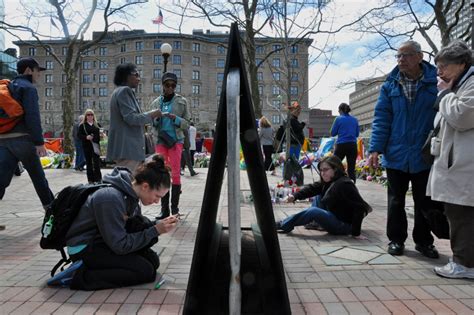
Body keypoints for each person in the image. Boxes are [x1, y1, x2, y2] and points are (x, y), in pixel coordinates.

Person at [49, 154, 179, 290]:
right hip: (84, 247)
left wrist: (156, 225)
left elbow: (131, 229)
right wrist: (156, 230)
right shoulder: (110, 198)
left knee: (152, 260)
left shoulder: (131, 195)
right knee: (144, 271)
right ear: (145, 186)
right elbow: (120, 245)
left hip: (102, 240)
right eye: (157, 196)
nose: (157, 201)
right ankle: (79, 276)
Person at [369, 40, 439, 259]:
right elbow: (381, 119)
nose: (401, 60)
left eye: (406, 55)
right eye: (398, 56)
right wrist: (375, 149)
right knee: (395, 201)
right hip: (396, 153)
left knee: (424, 202)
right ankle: (396, 240)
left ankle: (424, 242)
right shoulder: (390, 86)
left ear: (420, 57)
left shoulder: (435, 82)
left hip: (424, 154)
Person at [426, 40, 474, 279]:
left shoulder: (470, 85)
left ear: (462, 64)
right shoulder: (461, 84)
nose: (440, 72)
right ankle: (463, 261)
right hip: (458, 165)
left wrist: (444, 94)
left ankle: (464, 263)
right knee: (458, 214)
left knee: (462, 216)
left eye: (444, 66)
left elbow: (461, 116)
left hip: (464, 167)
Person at [0, 57, 54, 209]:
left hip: (3, 140)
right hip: (23, 140)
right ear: (29, 70)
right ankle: (53, 213)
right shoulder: (28, 88)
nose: (39, 75)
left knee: (1, 179)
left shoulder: (8, 86)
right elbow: (32, 116)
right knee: (38, 178)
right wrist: (39, 142)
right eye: (37, 71)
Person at [275, 155, 371, 238]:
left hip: (344, 225)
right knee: (319, 194)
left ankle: (283, 224)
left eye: (325, 170)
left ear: (336, 169)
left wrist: (356, 233)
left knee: (313, 212)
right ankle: (316, 223)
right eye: (321, 170)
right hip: (334, 214)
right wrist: (294, 196)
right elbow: (312, 188)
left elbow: (360, 207)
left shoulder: (345, 184)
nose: (322, 173)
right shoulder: (329, 181)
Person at [106, 63, 162, 172]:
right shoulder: (124, 91)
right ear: (126, 76)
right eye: (136, 75)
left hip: (125, 150)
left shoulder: (117, 92)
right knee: (130, 185)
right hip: (129, 150)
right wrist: (152, 114)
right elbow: (131, 118)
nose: (139, 78)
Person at [151, 72, 190, 219]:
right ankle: (164, 210)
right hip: (161, 141)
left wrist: (176, 119)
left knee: (175, 174)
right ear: (163, 85)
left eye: (173, 85)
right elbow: (151, 123)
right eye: (167, 85)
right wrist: (156, 118)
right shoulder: (155, 103)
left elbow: (187, 123)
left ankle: (174, 210)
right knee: (162, 174)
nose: (170, 87)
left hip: (175, 141)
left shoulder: (182, 101)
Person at [331, 103, 359, 183]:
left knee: (334, 165)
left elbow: (332, 133)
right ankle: (352, 188)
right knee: (351, 169)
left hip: (341, 145)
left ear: (341, 110)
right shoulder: (355, 120)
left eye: (338, 110)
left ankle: (335, 185)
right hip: (352, 145)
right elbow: (357, 134)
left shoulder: (338, 119)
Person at [78, 109, 102, 184]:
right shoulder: (82, 125)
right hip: (87, 146)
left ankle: (98, 179)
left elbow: (101, 133)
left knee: (96, 162)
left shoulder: (97, 124)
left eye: (91, 114)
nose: (90, 116)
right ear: (86, 116)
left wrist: (101, 135)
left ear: (93, 116)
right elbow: (79, 135)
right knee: (89, 163)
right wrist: (86, 137)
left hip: (96, 145)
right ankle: (90, 180)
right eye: (88, 115)